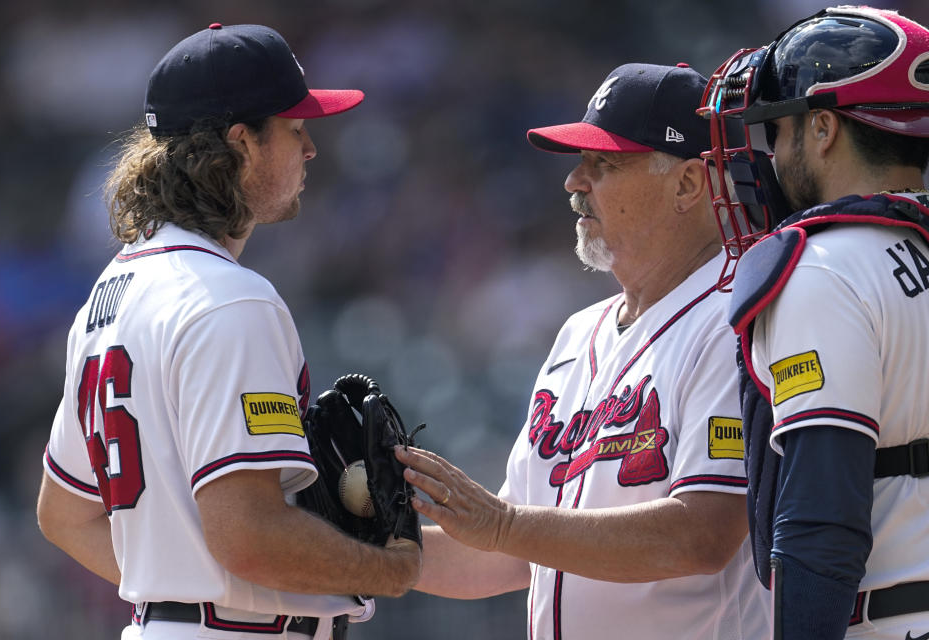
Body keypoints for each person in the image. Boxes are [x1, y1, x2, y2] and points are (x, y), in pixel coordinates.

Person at [35, 22, 420, 640]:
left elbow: (64, 516)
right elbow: (250, 538)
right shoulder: (229, 299)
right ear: (242, 142)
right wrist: (391, 570)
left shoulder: (109, 295)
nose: (311, 149)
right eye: (295, 130)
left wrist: (174, 587)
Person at [395, 63, 770, 639]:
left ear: (689, 184)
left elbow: (702, 535)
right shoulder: (579, 332)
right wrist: (357, 547)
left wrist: (502, 524)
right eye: (581, 162)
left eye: (605, 164)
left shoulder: (738, 317)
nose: (574, 182)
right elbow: (510, 553)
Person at [701, 6, 929, 639]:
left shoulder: (823, 269)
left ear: (824, 128)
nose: (770, 152)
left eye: (778, 128)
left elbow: (821, 525)